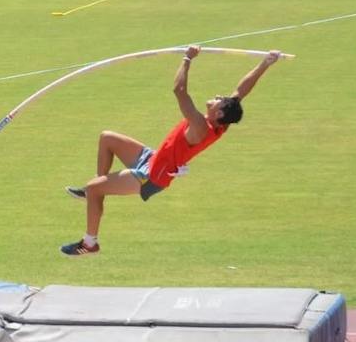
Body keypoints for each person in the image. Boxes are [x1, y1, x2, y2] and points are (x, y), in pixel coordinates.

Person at [60, 46, 283, 256]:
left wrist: (187, 59)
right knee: (107, 138)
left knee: (92, 188)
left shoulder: (200, 126)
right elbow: (241, 91)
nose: (217, 96)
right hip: (152, 158)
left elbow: (179, 91)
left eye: (219, 101)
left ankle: (90, 242)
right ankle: (97, 196)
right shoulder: (220, 123)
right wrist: (266, 63)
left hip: (151, 176)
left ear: (220, 113)